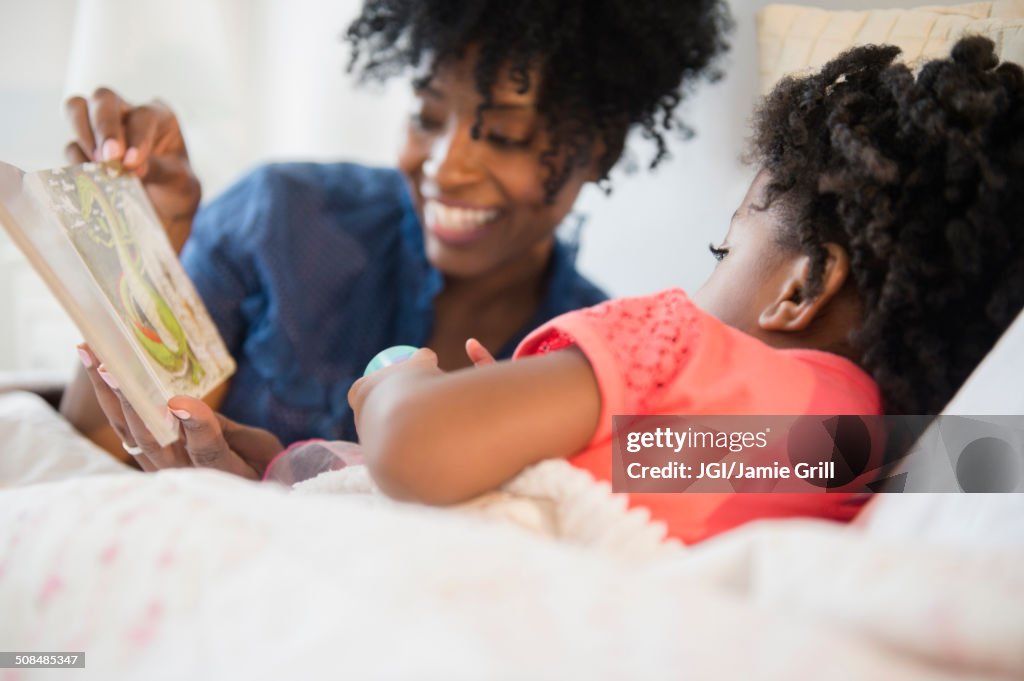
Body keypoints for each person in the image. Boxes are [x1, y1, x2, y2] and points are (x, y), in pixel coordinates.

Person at [78, 38, 1024, 541]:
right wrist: (275, 480)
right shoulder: (853, 452)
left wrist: (404, 381)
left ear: (803, 284)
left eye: (720, 248)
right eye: (429, 116)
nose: (448, 165)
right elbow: (992, 460)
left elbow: (413, 452)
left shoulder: (670, 347)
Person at [60, 0, 731, 460]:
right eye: (428, 118)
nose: (446, 167)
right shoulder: (284, 218)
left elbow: (817, 458)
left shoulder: (601, 354)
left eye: (503, 135)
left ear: (600, 150)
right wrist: (147, 246)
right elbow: (92, 452)